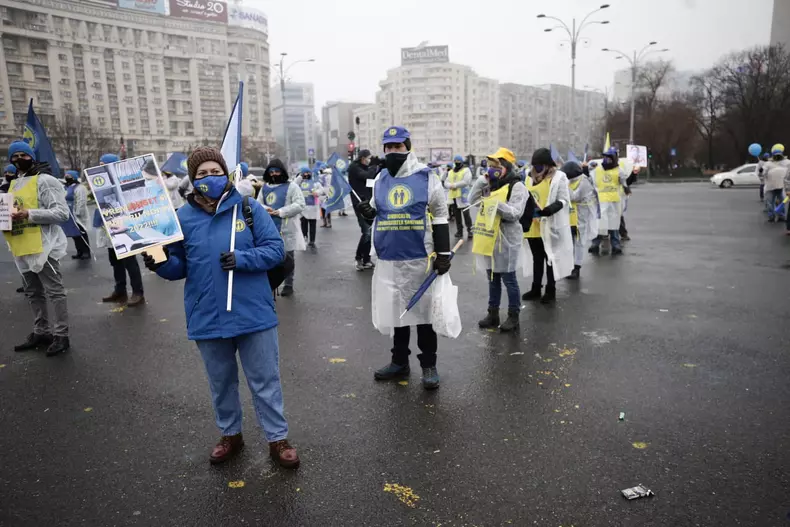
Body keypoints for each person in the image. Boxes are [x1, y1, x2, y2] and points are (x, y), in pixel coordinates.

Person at [142, 146, 299, 469]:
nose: (209, 178)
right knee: (221, 382)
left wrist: (242, 259)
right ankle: (231, 435)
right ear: (193, 179)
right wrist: (158, 262)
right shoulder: (181, 218)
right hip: (207, 314)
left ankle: (277, 438)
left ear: (226, 173)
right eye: (202, 174)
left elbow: (275, 251)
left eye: (215, 172)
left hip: (253, 313)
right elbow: (179, 268)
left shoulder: (248, 208)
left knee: (265, 380)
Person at [357, 126, 450, 390]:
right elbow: (376, 211)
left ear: (408, 146)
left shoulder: (426, 176)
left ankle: (428, 365)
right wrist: (367, 211)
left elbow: (441, 215)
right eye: (388, 147)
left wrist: (443, 254)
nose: (392, 151)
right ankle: (399, 362)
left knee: (422, 314)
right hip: (388, 257)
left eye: (397, 146)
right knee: (396, 311)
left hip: (419, 257)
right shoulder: (381, 177)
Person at [4, 141, 71, 356]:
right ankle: (41, 331)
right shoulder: (15, 183)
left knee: (55, 291)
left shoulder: (46, 181)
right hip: (21, 245)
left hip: (44, 246)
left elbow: (62, 213)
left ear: (32, 156)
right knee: (33, 292)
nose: (18, 160)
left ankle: (62, 335)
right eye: (14, 157)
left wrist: (29, 214)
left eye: (22, 155)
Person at [469, 147, 527, 331]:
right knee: (492, 277)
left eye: (498, 165)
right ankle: (493, 314)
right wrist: (482, 181)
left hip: (507, 240)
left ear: (507, 167)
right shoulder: (490, 185)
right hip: (489, 238)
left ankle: (513, 316)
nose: (493, 168)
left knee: (509, 279)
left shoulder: (517, 186)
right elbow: (472, 200)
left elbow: (515, 213)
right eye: (491, 165)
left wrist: (495, 205)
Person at [522, 148, 574, 303]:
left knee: (550, 258)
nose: (536, 169)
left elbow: (564, 199)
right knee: (537, 258)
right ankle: (536, 288)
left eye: (539, 165)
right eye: (535, 165)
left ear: (547, 165)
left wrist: (549, 210)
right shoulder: (528, 178)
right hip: (533, 225)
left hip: (549, 225)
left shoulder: (559, 178)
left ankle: (551, 290)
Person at [96, 153, 145, 307]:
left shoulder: (123, 181)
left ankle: (138, 292)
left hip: (122, 223)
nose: (100, 166)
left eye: (103, 164)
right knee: (115, 261)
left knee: (129, 260)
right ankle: (120, 290)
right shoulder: (100, 181)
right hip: (107, 223)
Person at [258, 159, 305, 297]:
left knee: (288, 257)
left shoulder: (292, 187)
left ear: (282, 172)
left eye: (276, 171)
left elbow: (299, 204)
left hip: (287, 227)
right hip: (269, 227)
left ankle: (288, 284)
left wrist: (280, 212)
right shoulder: (265, 188)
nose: (274, 174)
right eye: (271, 172)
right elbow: (258, 203)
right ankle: (272, 283)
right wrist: (266, 209)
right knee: (271, 256)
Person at [589, 147, 630, 256]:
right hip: (601, 201)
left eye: (609, 158)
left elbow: (624, 182)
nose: (607, 160)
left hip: (613, 202)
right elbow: (589, 178)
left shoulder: (618, 171)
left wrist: (626, 189)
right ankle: (595, 244)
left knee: (613, 224)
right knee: (600, 225)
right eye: (606, 157)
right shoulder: (597, 170)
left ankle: (615, 245)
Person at [564, 161, 599, 280]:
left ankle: (576, 268)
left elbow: (574, 197)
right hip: (570, 217)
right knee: (570, 243)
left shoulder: (584, 181)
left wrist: (565, 187)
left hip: (581, 217)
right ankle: (569, 266)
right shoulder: (571, 181)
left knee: (578, 243)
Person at [348, 149, 379, 271]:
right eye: (368, 158)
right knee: (366, 232)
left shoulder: (366, 167)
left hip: (369, 203)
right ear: (362, 158)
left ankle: (367, 259)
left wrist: (378, 166)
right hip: (359, 203)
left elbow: (373, 179)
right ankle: (358, 258)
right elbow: (367, 176)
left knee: (371, 232)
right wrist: (374, 166)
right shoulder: (354, 167)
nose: (369, 160)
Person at [62, 170, 91, 259]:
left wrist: (78, 213)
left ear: (74, 177)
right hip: (69, 213)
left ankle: (86, 252)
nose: (67, 177)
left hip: (77, 214)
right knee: (74, 233)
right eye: (66, 175)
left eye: (69, 175)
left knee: (81, 232)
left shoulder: (80, 187)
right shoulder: (66, 187)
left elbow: (81, 201)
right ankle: (79, 251)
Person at [294, 166, 325, 249]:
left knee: (312, 224)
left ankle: (312, 240)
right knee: (303, 224)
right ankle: (304, 237)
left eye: (308, 172)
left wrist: (317, 192)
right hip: (302, 207)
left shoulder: (315, 182)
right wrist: (300, 177)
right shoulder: (299, 182)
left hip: (312, 207)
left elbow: (322, 190)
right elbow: (293, 186)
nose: (306, 174)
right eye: (305, 173)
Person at [445, 155, 474, 240]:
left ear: (461, 163)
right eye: (456, 163)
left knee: (466, 215)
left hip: (463, 196)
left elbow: (466, 181)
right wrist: (449, 185)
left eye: (459, 163)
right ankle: (459, 231)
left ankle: (470, 230)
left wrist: (454, 185)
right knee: (457, 216)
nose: (457, 164)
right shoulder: (451, 172)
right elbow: (446, 181)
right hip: (454, 197)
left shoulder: (466, 170)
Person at [762, 144, 788, 223]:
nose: (777, 157)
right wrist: (761, 172)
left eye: (779, 156)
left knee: (782, 201)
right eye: (776, 156)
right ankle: (771, 216)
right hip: (770, 186)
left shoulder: (787, 163)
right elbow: (762, 172)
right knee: (770, 201)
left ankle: (781, 215)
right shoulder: (768, 164)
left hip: (781, 186)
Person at [619, 165, 640, 241]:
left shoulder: (618, 170)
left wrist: (633, 174)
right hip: (606, 197)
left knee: (618, 215)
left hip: (617, 196)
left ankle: (622, 233)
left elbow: (626, 182)